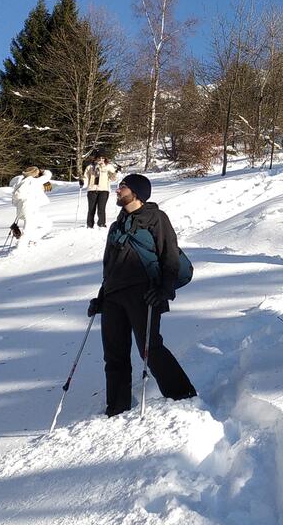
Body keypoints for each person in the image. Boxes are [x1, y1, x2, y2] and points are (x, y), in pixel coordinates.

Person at [87, 173, 197, 415]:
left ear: (136, 192)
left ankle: (182, 395)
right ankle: (116, 408)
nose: (117, 190)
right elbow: (109, 266)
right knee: (113, 356)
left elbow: (169, 256)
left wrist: (163, 290)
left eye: (122, 187)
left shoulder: (156, 218)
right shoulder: (116, 226)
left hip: (145, 293)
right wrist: (101, 297)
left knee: (150, 349)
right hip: (114, 295)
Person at [9, 165, 54, 249]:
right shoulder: (32, 181)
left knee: (46, 224)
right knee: (29, 229)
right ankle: (21, 247)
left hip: (24, 209)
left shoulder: (21, 181)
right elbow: (48, 175)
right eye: (37, 173)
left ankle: (31, 240)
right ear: (34, 174)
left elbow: (16, 197)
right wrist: (43, 171)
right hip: (29, 209)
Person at [82, 153, 121, 229]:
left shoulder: (108, 167)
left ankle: (102, 224)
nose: (101, 160)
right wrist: (83, 182)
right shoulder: (90, 167)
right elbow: (86, 177)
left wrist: (116, 172)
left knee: (101, 208)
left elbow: (113, 178)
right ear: (96, 158)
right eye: (99, 158)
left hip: (104, 190)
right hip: (92, 189)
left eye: (103, 158)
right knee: (91, 208)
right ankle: (89, 225)